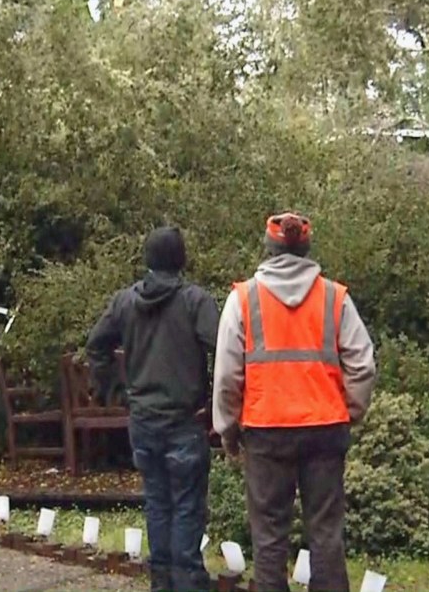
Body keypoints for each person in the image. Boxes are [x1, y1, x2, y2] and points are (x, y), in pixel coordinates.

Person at [212, 212, 376, 592]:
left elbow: (226, 376)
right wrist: (350, 411)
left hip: (266, 432)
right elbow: (363, 365)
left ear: (268, 249)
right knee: (326, 537)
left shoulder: (243, 299)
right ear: (307, 248)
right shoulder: (335, 298)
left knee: (269, 540)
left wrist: (227, 429)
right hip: (325, 429)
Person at [86, 226, 220, 592]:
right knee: (188, 505)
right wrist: (218, 405)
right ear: (182, 259)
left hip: (142, 420)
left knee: (157, 501)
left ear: (147, 259)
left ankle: (161, 581)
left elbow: (96, 345)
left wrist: (112, 389)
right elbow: (224, 349)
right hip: (183, 420)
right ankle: (189, 581)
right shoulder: (196, 302)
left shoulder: (124, 302)